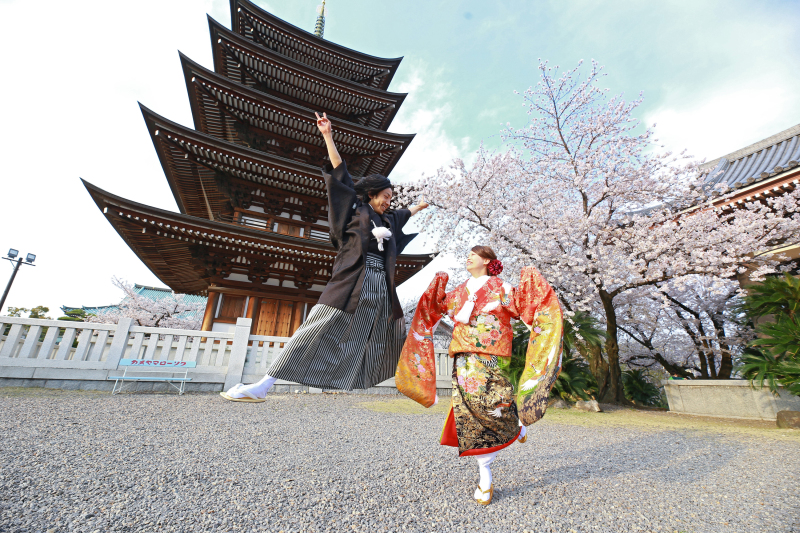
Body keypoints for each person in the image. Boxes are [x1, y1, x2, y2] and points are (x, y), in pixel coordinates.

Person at [221, 112, 428, 401]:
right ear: (371, 194)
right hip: (352, 281)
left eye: (391, 198)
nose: (389, 201)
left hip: (380, 287)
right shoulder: (357, 211)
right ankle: (263, 386)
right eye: (386, 196)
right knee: (315, 327)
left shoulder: (390, 219)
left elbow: (404, 213)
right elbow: (341, 174)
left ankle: (413, 384)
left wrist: (420, 207)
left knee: (388, 334)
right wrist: (328, 136)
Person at [396, 246, 563, 505]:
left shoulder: (502, 288)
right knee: (471, 411)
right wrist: (437, 286)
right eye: (468, 254)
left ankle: (513, 426)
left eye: (474, 254)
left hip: (492, 356)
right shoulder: (459, 292)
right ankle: (485, 473)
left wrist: (532, 280)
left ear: (487, 260)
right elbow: (436, 309)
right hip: (463, 357)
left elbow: (528, 308)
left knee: (493, 402)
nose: (468, 257)